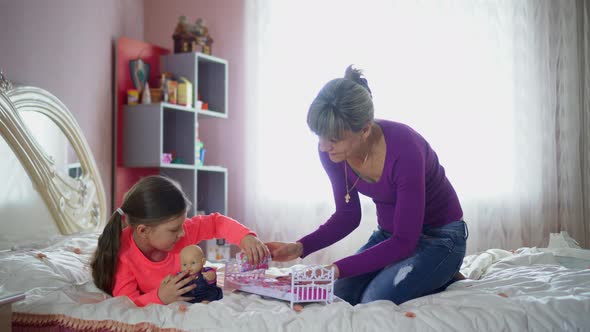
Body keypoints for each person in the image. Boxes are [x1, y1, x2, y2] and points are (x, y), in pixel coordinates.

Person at [266, 66, 468, 306]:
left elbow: (405, 241)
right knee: (338, 295)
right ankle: (427, 273)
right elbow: (348, 216)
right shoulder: (334, 153)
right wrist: (300, 247)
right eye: (319, 136)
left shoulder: (405, 149)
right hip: (390, 237)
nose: (323, 146)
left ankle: (440, 271)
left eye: (333, 139)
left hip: (439, 238)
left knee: (374, 300)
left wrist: (333, 268)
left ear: (365, 129)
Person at [91, 175, 269, 307]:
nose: (183, 233)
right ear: (143, 231)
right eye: (174, 229)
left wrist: (245, 237)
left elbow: (216, 223)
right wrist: (159, 297)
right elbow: (126, 303)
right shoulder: (123, 254)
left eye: (182, 225)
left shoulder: (181, 232)